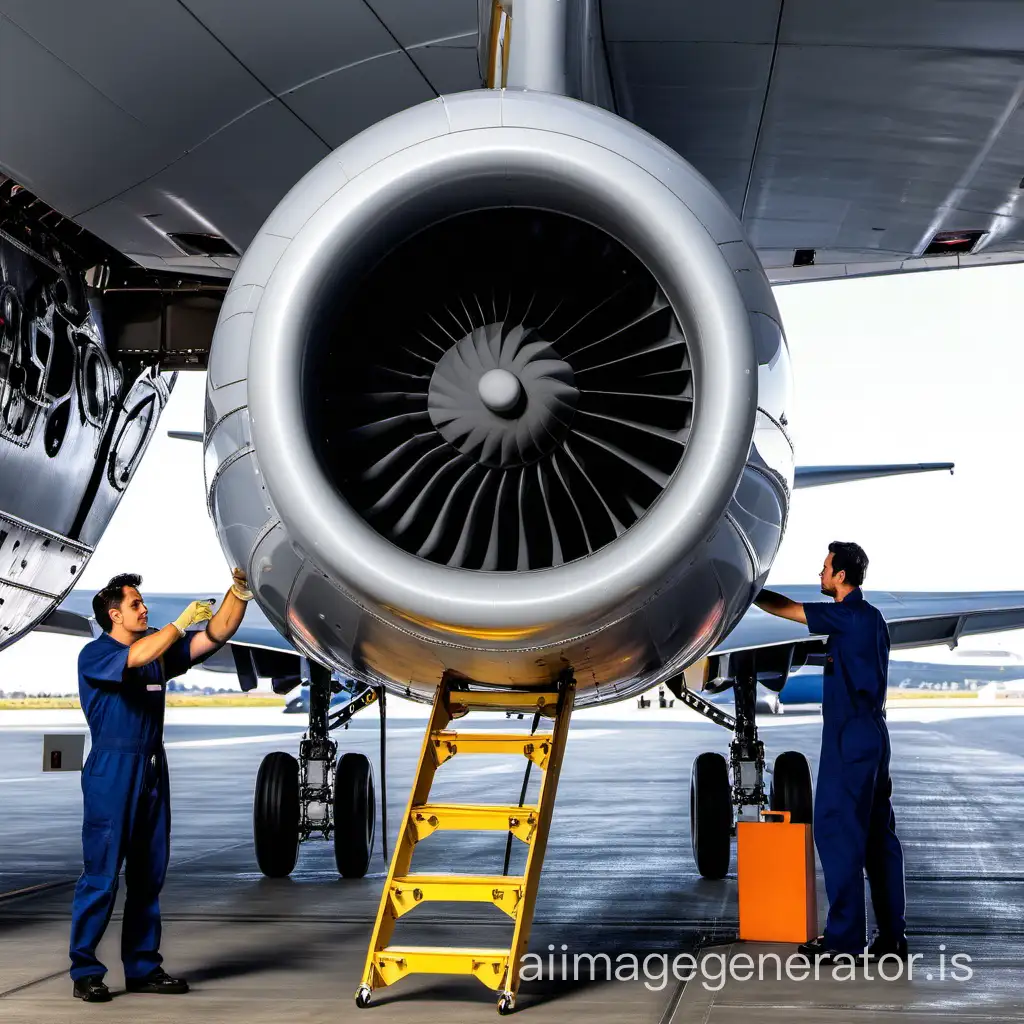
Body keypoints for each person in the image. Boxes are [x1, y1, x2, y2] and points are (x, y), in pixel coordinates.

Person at [69, 568, 254, 1002]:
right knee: (101, 877)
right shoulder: (95, 655)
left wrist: (240, 590)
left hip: (152, 769)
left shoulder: (156, 653)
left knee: (148, 876)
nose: (144, 608)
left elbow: (215, 634)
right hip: (112, 771)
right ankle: (85, 971)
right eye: (136, 604)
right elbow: (133, 658)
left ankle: (143, 968)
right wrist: (177, 623)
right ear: (114, 614)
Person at [754, 542, 907, 963]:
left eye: (825, 569)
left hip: (850, 739)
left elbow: (786, 608)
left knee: (838, 833)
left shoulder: (846, 616)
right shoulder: (873, 619)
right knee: (878, 838)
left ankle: (843, 942)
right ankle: (893, 937)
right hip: (875, 736)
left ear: (841, 577)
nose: (820, 575)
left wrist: (748, 588)